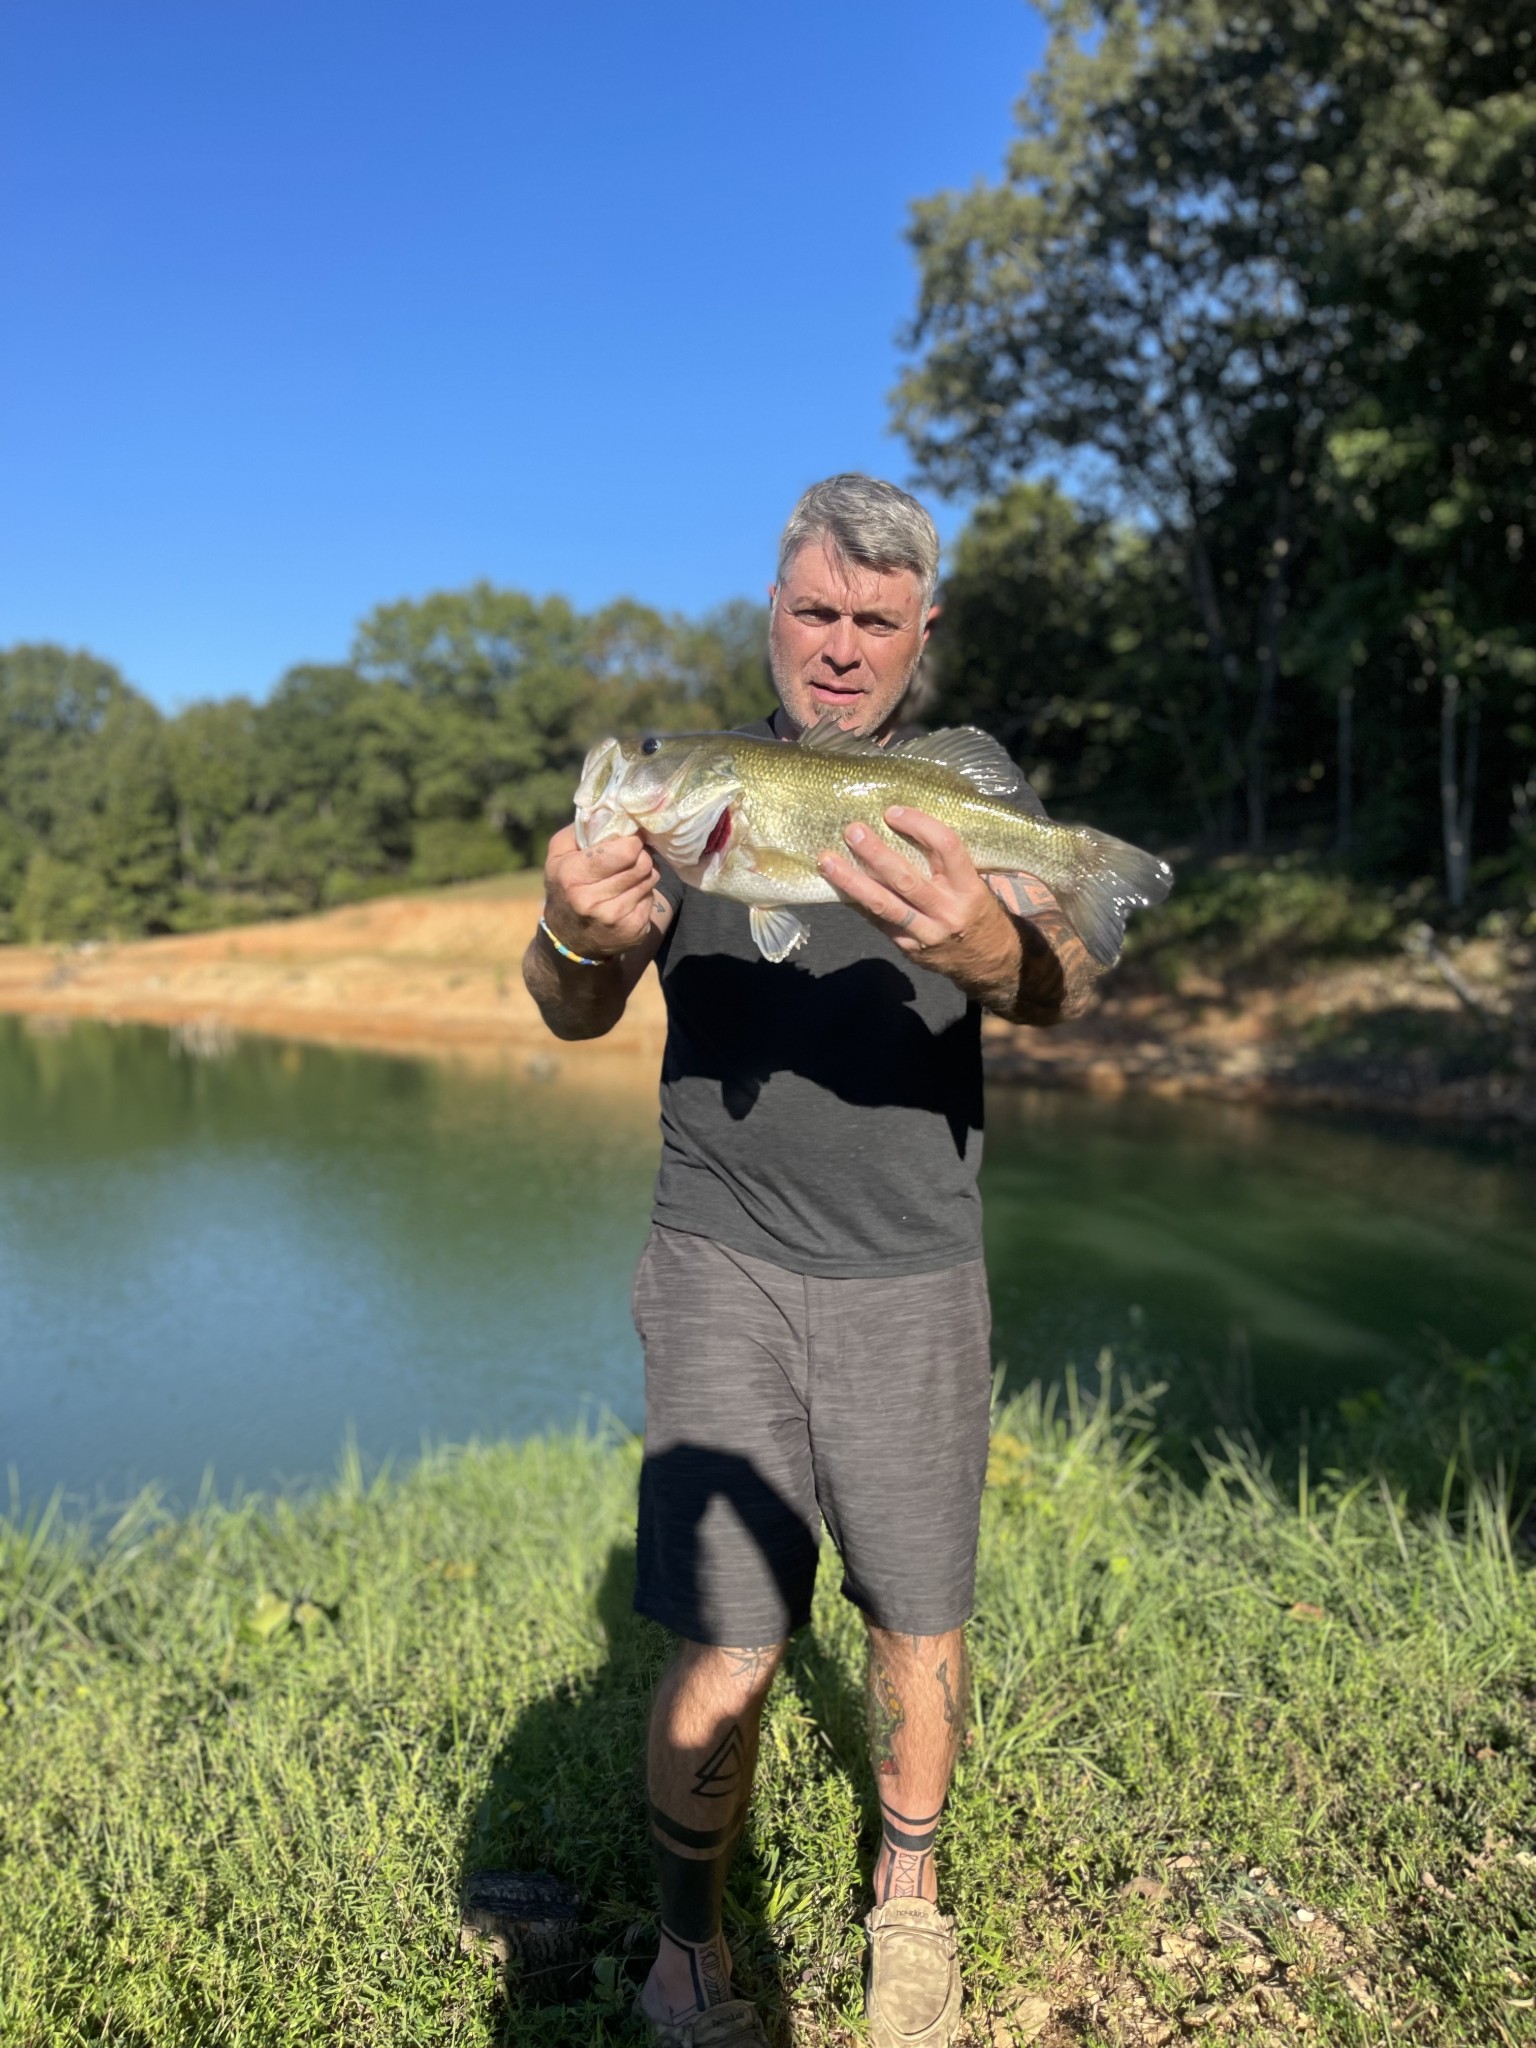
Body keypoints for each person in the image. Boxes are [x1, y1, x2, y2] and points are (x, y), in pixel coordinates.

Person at [522, 474, 1097, 2048]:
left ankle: (908, 1904)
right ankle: (691, 1950)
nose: (840, 647)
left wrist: (999, 947)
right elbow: (570, 1006)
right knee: (732, 1631)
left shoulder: (962, 791)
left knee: (919, 1613)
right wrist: (577, 931)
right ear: (771, 614)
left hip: (915, 1260)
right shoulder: (700, 790)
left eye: (874, 620)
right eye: (813, 612)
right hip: (720, 1252)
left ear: (923, 631)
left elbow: (1064, 974)